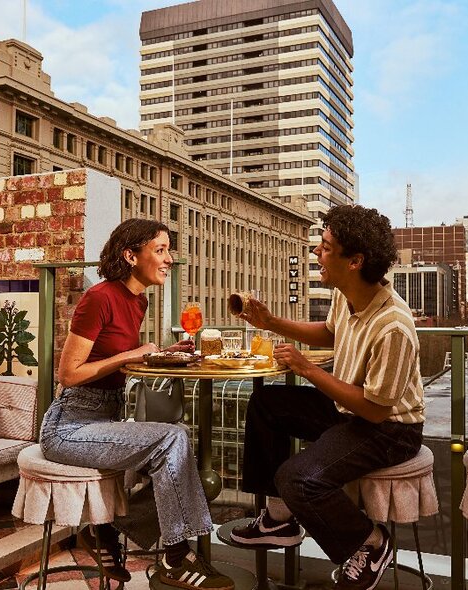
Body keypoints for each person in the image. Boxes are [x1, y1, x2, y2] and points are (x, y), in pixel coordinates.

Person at [229, 205, 425, 590]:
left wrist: (309, 370)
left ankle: (370, 541)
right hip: (349, 409)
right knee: (267, 403)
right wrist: (271, 322)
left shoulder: (394, 326)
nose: (316, 252)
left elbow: (374, 408)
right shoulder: (347, 294)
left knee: (298, 478)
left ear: (355, 261)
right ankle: (278, 519)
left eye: (324, 247)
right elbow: (330, 333)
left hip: (390, 429)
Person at [40, 218, 233, 590]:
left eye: (168, 251)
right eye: (160, 250)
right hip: (70, 427)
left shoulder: (137, 300)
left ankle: (111, 530)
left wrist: (160, 354)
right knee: (173, 439)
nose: (169, 259)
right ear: (131, 255)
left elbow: (123, 358)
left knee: (176, 448)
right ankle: (177, 557)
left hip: (107, 418)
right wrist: (133, 353)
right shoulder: (99, 297)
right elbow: (69, 374)